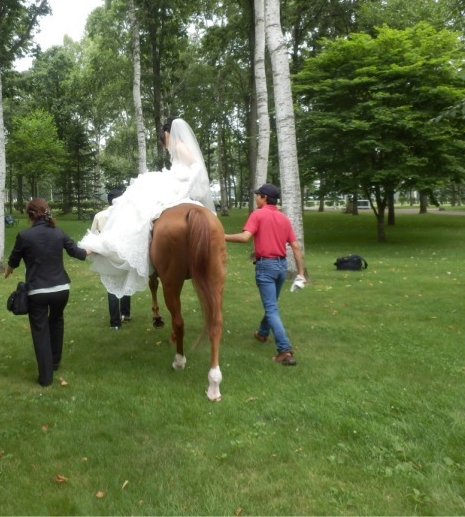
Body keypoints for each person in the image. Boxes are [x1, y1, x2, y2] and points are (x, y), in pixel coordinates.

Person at [79, 117, 215, 299]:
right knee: (139, 196)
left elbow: (196, 167)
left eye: (164, 138)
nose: (165, 143)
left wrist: (186, 188)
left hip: (179, 182)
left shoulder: (180, 146)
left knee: (139, 195)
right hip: (175, 179)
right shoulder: (179, 146)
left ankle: (121, 244)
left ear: (168, 133)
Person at [5, 198, 90, 387]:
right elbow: (77, 252)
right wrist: (94, 250)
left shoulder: (25, 236)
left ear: (30, 215)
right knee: (57, 321)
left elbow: (14, 259)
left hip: (38, 291)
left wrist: (8, 270)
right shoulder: (58, 232)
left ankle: (46, 378)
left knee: (40, 331)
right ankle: (55, 362)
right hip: (61, 290)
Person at [225, 183, 306, 366]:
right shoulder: (284, 219)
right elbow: (295, 246)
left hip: (266, 267)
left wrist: (220, 235)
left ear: (264, 197)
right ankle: (262, 333)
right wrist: (300, 273)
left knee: (271, 309)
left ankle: (284, 351)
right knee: (272, 305)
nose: (256, 198)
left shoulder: (258, 215)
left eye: (257, 195)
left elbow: (245, 237)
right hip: (281, 267)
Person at [90, 189, 131, 329]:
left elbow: (94, 236)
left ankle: (115, 322)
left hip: (107, 255)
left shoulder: (100, 216)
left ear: (108, 201)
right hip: (124, 254)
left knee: (112, 287)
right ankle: (125, 313)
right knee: (125, 283)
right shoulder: (128, 216)